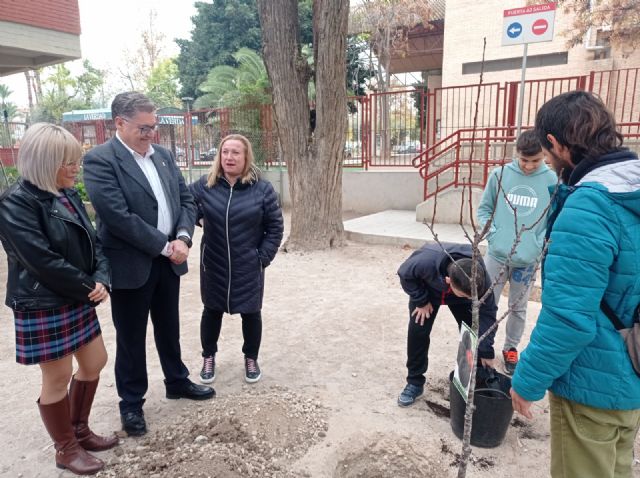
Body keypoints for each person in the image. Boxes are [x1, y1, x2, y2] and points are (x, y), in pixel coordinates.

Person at [511, 91, 640, 478]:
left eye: (547, 152)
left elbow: (568, 317)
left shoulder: (590, 205)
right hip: (630, 376)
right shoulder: (631, 190)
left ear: (554, 143)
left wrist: (527, 381)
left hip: (590, 387)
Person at [83, 92, 214, 438]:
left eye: (153, 126)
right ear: (119, 123)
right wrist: (163, 246)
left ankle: (176, 380)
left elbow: (186, 200)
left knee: (169, 327)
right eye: (143, 128)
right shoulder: (100, 160)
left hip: (170, 259)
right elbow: (117, 217)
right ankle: (131, 403)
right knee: (131, 337)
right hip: (131, 264)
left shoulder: (165, 157)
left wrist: (184, 238)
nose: (150, 134)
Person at [0, 123, 118, 475]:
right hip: (43, 303)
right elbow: (41, 261)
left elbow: (94, 242)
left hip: (76, 295)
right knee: (57, 376)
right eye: (68, 162)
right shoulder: (14, 203)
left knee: (95, 361)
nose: (75, 168)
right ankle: (66, 449)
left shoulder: (64, 193)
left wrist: (101, 278)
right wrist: (88, 287)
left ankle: (79, 431)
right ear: (46, 161)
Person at [189, 134, 283, 385]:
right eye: (225, 152)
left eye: (235, 153)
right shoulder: (205, 185)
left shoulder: (262, 189)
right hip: (214, 264)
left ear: (246, 157)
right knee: (211, 311)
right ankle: (208, 357)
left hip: (248, 265)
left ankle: (251, 358)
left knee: (251, 313)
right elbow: (185, 204)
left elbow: (275, 227)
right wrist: (198, 218)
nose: (229, 157)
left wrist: (261, 258)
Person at [477, 129, 557, 375]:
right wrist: (493, 233)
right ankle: (481, 346)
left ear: (544, 154)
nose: (530, 166)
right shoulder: (499, 175)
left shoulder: (552, 181)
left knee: (518, 308)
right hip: (497, 255)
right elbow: (484, 209)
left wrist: (539, 242)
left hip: (528, 260)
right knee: (485, 303)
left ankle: (511, 348)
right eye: (524, 160)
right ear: (516, 154)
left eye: (535, 160)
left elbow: (555, 219)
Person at [396, 242, 497, 407]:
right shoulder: (425, 262)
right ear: (448, 281)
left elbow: (488, 313)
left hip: (460, 291)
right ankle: (415, 382)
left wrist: (486, 350)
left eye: (471, 296)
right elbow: (404, 274)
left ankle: (472, 379)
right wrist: (421, 300)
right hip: (427, 292)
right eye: (465, 295)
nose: (469, 299)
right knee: (418, 331)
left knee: (471, 332)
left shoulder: (480, 278)